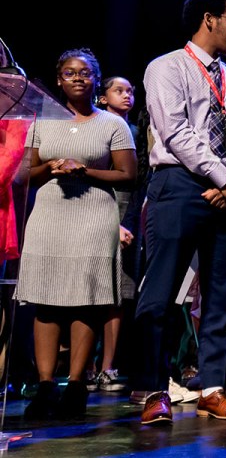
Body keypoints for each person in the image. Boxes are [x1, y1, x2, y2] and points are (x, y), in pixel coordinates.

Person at [134, 0, 226, 426]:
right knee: (160, 292)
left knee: (221, 292)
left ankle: (212, 387)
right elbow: (176, 132)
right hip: (178, 184)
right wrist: (224, 177)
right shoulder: (166, 67)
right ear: (209, 19)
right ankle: (154, 389)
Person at [16, 48, 136, 419]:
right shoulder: (41, 121)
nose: (78, 78)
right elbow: (23, 176)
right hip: (49, 217)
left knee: (87, 301)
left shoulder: (113, 124)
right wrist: (50, 167)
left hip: (93, 218)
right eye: (70, 73)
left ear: (96, 80)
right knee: (47, 301)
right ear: (58, 79)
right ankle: (47, 385)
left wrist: (84, 170)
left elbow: (128, 175)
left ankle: (78, 384)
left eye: (85, 73)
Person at [91, 76, 138, 392]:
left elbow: (137, 182)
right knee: (91, 288)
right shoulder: (97, 129)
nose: (127, 96)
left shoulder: (134, 133)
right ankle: (84, 367)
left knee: (118, 292)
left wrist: (127, 223)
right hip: (97, 208)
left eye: (130, 91)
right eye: (119, 91)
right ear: (103, 97)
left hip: (126, 210)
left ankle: (107, 366)